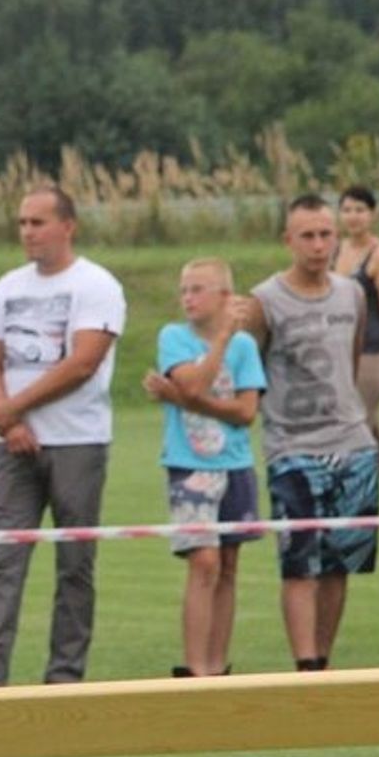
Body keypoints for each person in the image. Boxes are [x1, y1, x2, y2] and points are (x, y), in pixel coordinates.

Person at [0, 185, 126, 687]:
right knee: (2, 560)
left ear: (67, 226)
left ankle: (64, 679)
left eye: (37, 222)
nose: (27, 232)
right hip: (13, 445)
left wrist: (12, 408)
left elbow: (83, 362)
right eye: (22, 223)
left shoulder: (96, 285)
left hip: (77, 441)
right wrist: (9, 423)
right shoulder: (7, 287)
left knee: (75, 565)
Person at [239, 196, 379, 670]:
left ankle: (323, 662)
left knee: (340, 563)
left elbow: (351, 361)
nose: (318, 245)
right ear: (288, 240)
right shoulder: (264, 300)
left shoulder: (352, 294)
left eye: (325, 234)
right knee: (299, 564)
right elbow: (250, 367)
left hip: (352, 444)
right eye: (308, 236)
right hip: (293, 447)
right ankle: (304, 666)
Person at [143, 258, 264, 676]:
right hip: (189, 465)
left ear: (224, 297)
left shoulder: (246, 347)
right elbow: (194, 383)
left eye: (198, 289)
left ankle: (217, 666)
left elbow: (246, 412)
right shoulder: (173, 337)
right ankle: (195, 668)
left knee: (228, 565)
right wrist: (222, 340)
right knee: (204, 562)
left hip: (236, 466)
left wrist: (178, 398)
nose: (188, 298)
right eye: (184, 290)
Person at [333, 185, 379, 488]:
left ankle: (350, 496)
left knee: (355, 430)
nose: (353, 217)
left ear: (372, 214)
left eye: (359, 210)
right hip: (340, 351)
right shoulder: (334, 249)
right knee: (375, 438)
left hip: (373, 353)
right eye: (347, 210)